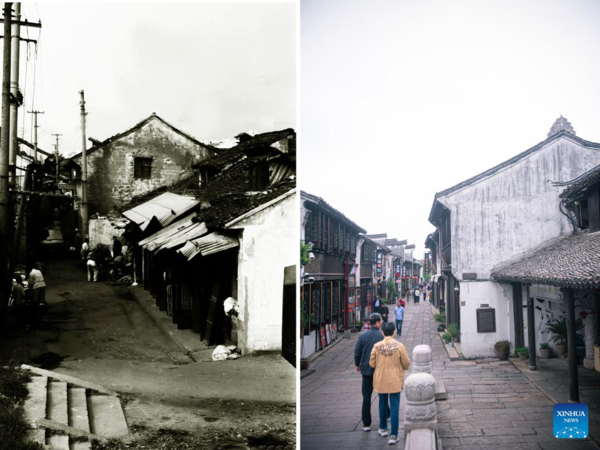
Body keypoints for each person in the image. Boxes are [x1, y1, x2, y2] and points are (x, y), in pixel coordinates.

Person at [369, 321, 411, 445]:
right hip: (395, 379)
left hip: (381, 379)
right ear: (394, 332)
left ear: (382, 332)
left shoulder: (377, 346)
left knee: (382, 403)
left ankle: (382, 428)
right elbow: (406, 363)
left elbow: (371, 363)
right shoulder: (399, 346)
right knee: (394, 406)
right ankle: (394, 434)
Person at [354, 313, 384, 432]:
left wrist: (357, 364)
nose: (381, 323)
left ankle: (366, 423)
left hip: (366, 370)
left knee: (366, 397)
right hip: (379, 370)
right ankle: (385, 417)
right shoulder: (381, 336)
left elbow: (357, 352)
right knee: (383, 395)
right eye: (380, 321)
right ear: (377, 323)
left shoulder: (363, 336)